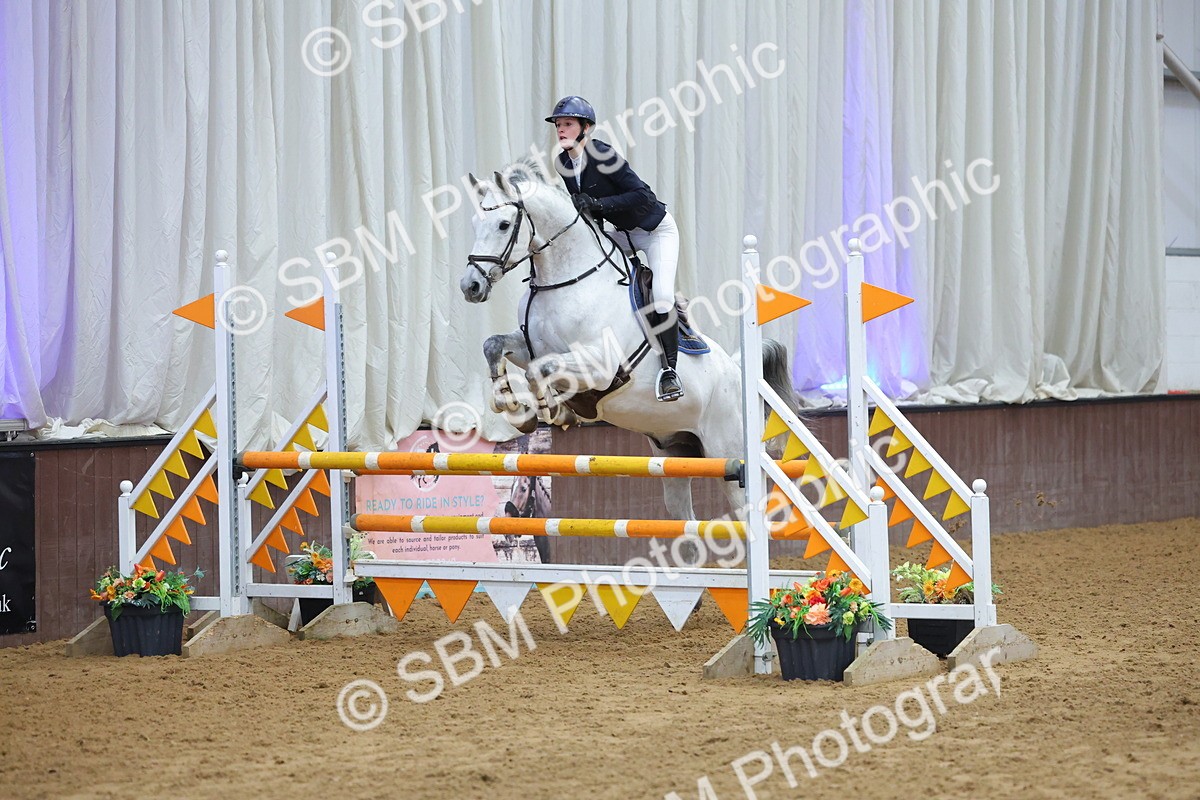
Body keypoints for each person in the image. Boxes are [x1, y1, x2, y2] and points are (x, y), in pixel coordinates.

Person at [545, 95, 684, 402]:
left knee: (661, 295)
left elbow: (641, 194)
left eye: (567, 124)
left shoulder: (601, 153)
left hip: (654, 231)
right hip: (620, 234)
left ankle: (669, 371)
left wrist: (598, 204)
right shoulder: (563, 162)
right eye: (558, 125)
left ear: (586, 127)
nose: (561, 130)